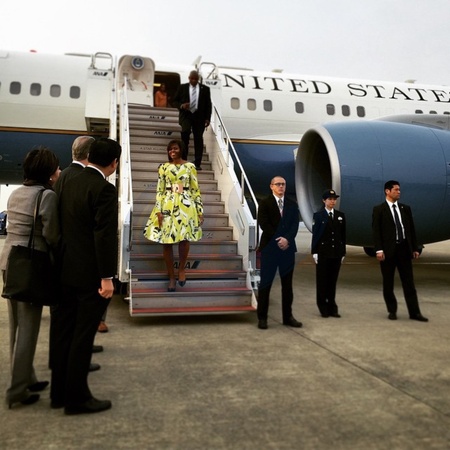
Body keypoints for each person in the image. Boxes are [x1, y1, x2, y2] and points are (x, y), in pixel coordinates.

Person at [50, 137, 121, 415]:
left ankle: (58, 394)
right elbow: (103, 236)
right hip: (88, 275)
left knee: (62, 333)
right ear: (114, 163)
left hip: (63, 269)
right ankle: (77, 398)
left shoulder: (67, 179)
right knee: (82, 336)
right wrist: (107, 277)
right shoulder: (103, 189)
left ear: (89, 157)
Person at [0, 147, 60, 408]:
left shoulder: (16, 193)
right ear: (48, 172)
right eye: (56, 167)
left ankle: (27, 378)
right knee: (28, 330)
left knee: (15, 326)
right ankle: (16, 391)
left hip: (9, 261)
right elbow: (51, 235)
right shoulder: (46, 196)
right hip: (31, 266)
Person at [52, 135, 105, 363]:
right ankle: (75, 360)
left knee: (65, 317)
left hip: (63, 257)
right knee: (77, 317)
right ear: (90, 154)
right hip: (79, 260)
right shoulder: (82, 178)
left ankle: (66, 358)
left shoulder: (64, 175)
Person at [143, 139, 203, 291]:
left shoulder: (190, 167)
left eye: (175, 148)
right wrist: (158, 210)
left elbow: (195, 190)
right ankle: (171, 277)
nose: (172, 151)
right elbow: (160, 190)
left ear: (181, 149)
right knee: (166, 242)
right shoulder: (163, 167)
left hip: (186, 204)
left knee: (184, 239)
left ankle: (181, 269)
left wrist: (199, 211)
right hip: (167, 204)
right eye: (170, 149)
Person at [372, 180, 428, 322]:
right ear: (387, 191)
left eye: (399, 189)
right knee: (388, 283)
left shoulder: (405, 208)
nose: (399, 192)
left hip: (404, 250)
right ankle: (392, 310)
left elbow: (411, 230)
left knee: (409, 283)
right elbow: (376, 232)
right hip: (388, 251)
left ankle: (415, 313)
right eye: (396, 190)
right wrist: (379, 250)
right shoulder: (379, 210)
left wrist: (414, 248)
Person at [256, 176, 302, 330]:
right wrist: (279, 239)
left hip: (287, 249)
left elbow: (295, 225)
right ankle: (262, 318)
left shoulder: (292, 204)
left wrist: (287, 239)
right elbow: (264, 224)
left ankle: (288, 317)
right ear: (271, 186)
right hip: (270, 248)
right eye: (278, 184)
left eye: (283, 184)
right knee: (266, 284)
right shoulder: (264, 203)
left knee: (287, 286)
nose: (281, 186)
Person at [311, 189, 346, 318]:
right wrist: (314, 251)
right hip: (323, 253)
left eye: (334, 199)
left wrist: (343, 252)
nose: (332, 201)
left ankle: (332, 307)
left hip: (336, 253)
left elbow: (343, 236)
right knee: (322, 281)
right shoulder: (318, 216)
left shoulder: (340, 216)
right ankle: (323, 307)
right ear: (324, 201)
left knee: (332, 281)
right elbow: (316, 235)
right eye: (330, 199)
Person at [173, 70, 212, 170]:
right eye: (192, 79)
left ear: (198, 79)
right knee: (185, 134)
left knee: (198, 139)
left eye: (196, 79)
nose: (194, 81)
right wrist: (181, 106)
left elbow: (208, 105)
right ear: (189, 78)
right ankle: (183, 160)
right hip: (186, 115)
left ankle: (197, 163)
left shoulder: (205, 89)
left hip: (199, 117)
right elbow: (174, 101)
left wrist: (207, 118)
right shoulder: (182, 87)